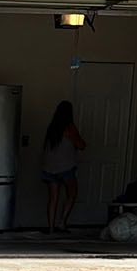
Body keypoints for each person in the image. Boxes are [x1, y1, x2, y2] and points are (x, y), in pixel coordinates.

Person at [41, 100, 87, 234]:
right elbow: (81, 145)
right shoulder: (69, 127)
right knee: (72, 194)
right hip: (66, 167)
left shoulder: (52, 128)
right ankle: (62, 223)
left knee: (53, 198)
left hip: (49, 167)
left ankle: (50, 228)